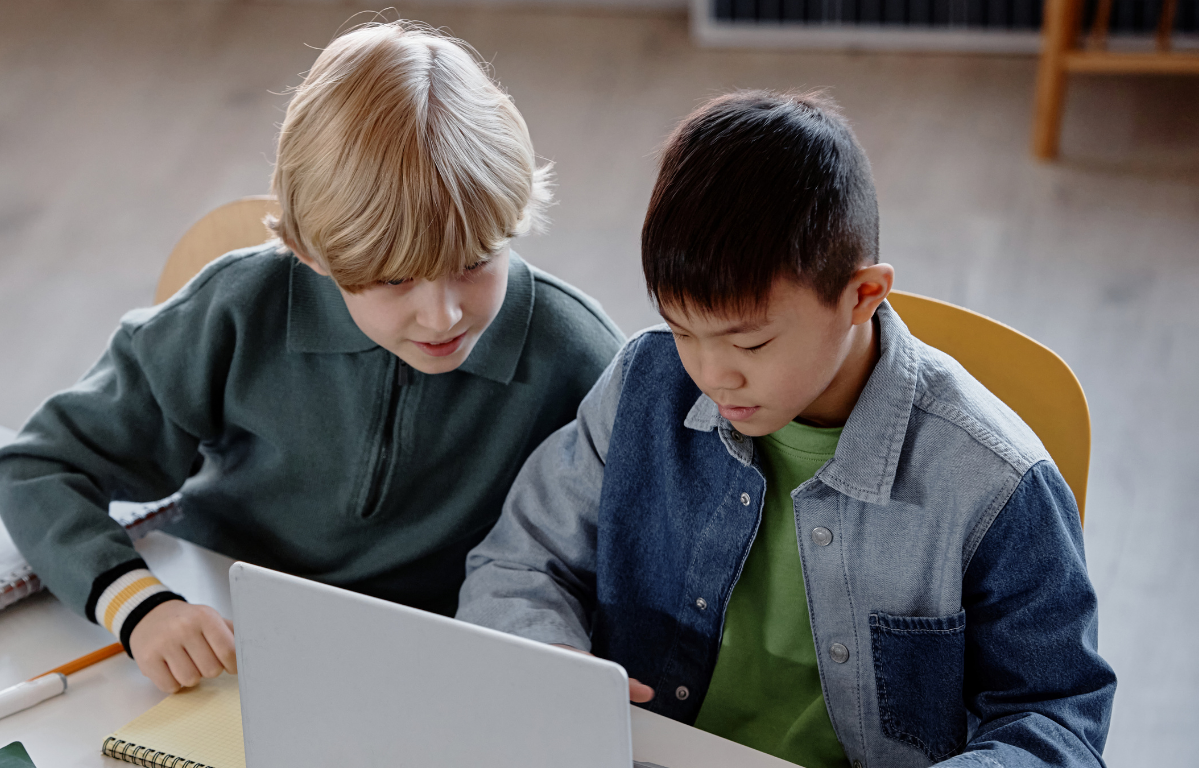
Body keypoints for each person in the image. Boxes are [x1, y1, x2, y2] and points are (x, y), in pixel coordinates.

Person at [457, 90, 1115, 768]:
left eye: (751, 344)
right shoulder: (644, 386)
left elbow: (1055, 718)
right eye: (685, 330)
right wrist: (551, 663)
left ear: (862, 296)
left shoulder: (993, 481)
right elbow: (519, 560)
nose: (714, 374)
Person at [0, 21, 623, 695]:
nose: (443, 315)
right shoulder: (237, 311)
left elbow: (608, 557)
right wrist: (137, 606)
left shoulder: (580, 357)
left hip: (426, 672)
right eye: (393, 279)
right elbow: (39, 467)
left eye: (474, 263)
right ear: (309, 253)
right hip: (220, 642)